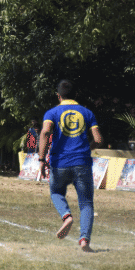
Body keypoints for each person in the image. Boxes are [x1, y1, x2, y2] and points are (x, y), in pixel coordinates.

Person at [39, 79, 102, 252]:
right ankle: (84, 241)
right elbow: (98, 139)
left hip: (59, 163)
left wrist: (41, 159)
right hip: (82, 163)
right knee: (86, 203)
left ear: (58, 96)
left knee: (56, 192)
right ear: (76, 95)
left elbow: (45, 132)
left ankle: (66, 216)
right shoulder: (87, 113)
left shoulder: (52, 113)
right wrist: (86, 149)